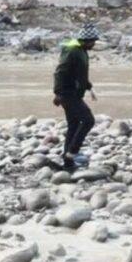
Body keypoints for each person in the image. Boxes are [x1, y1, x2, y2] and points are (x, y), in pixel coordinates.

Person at [52, 23, 99, 169]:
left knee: (73, 124)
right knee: (88, 120)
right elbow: (60, 72)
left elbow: (79, 73)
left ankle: (68, 162)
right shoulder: (73, 51)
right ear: (86, 40)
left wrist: (89, 87)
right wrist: (58, 93)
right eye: (93, 41)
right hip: (68, 93)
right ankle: (73, 152)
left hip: (74, 93)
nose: (94, 44)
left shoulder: (81, 50)